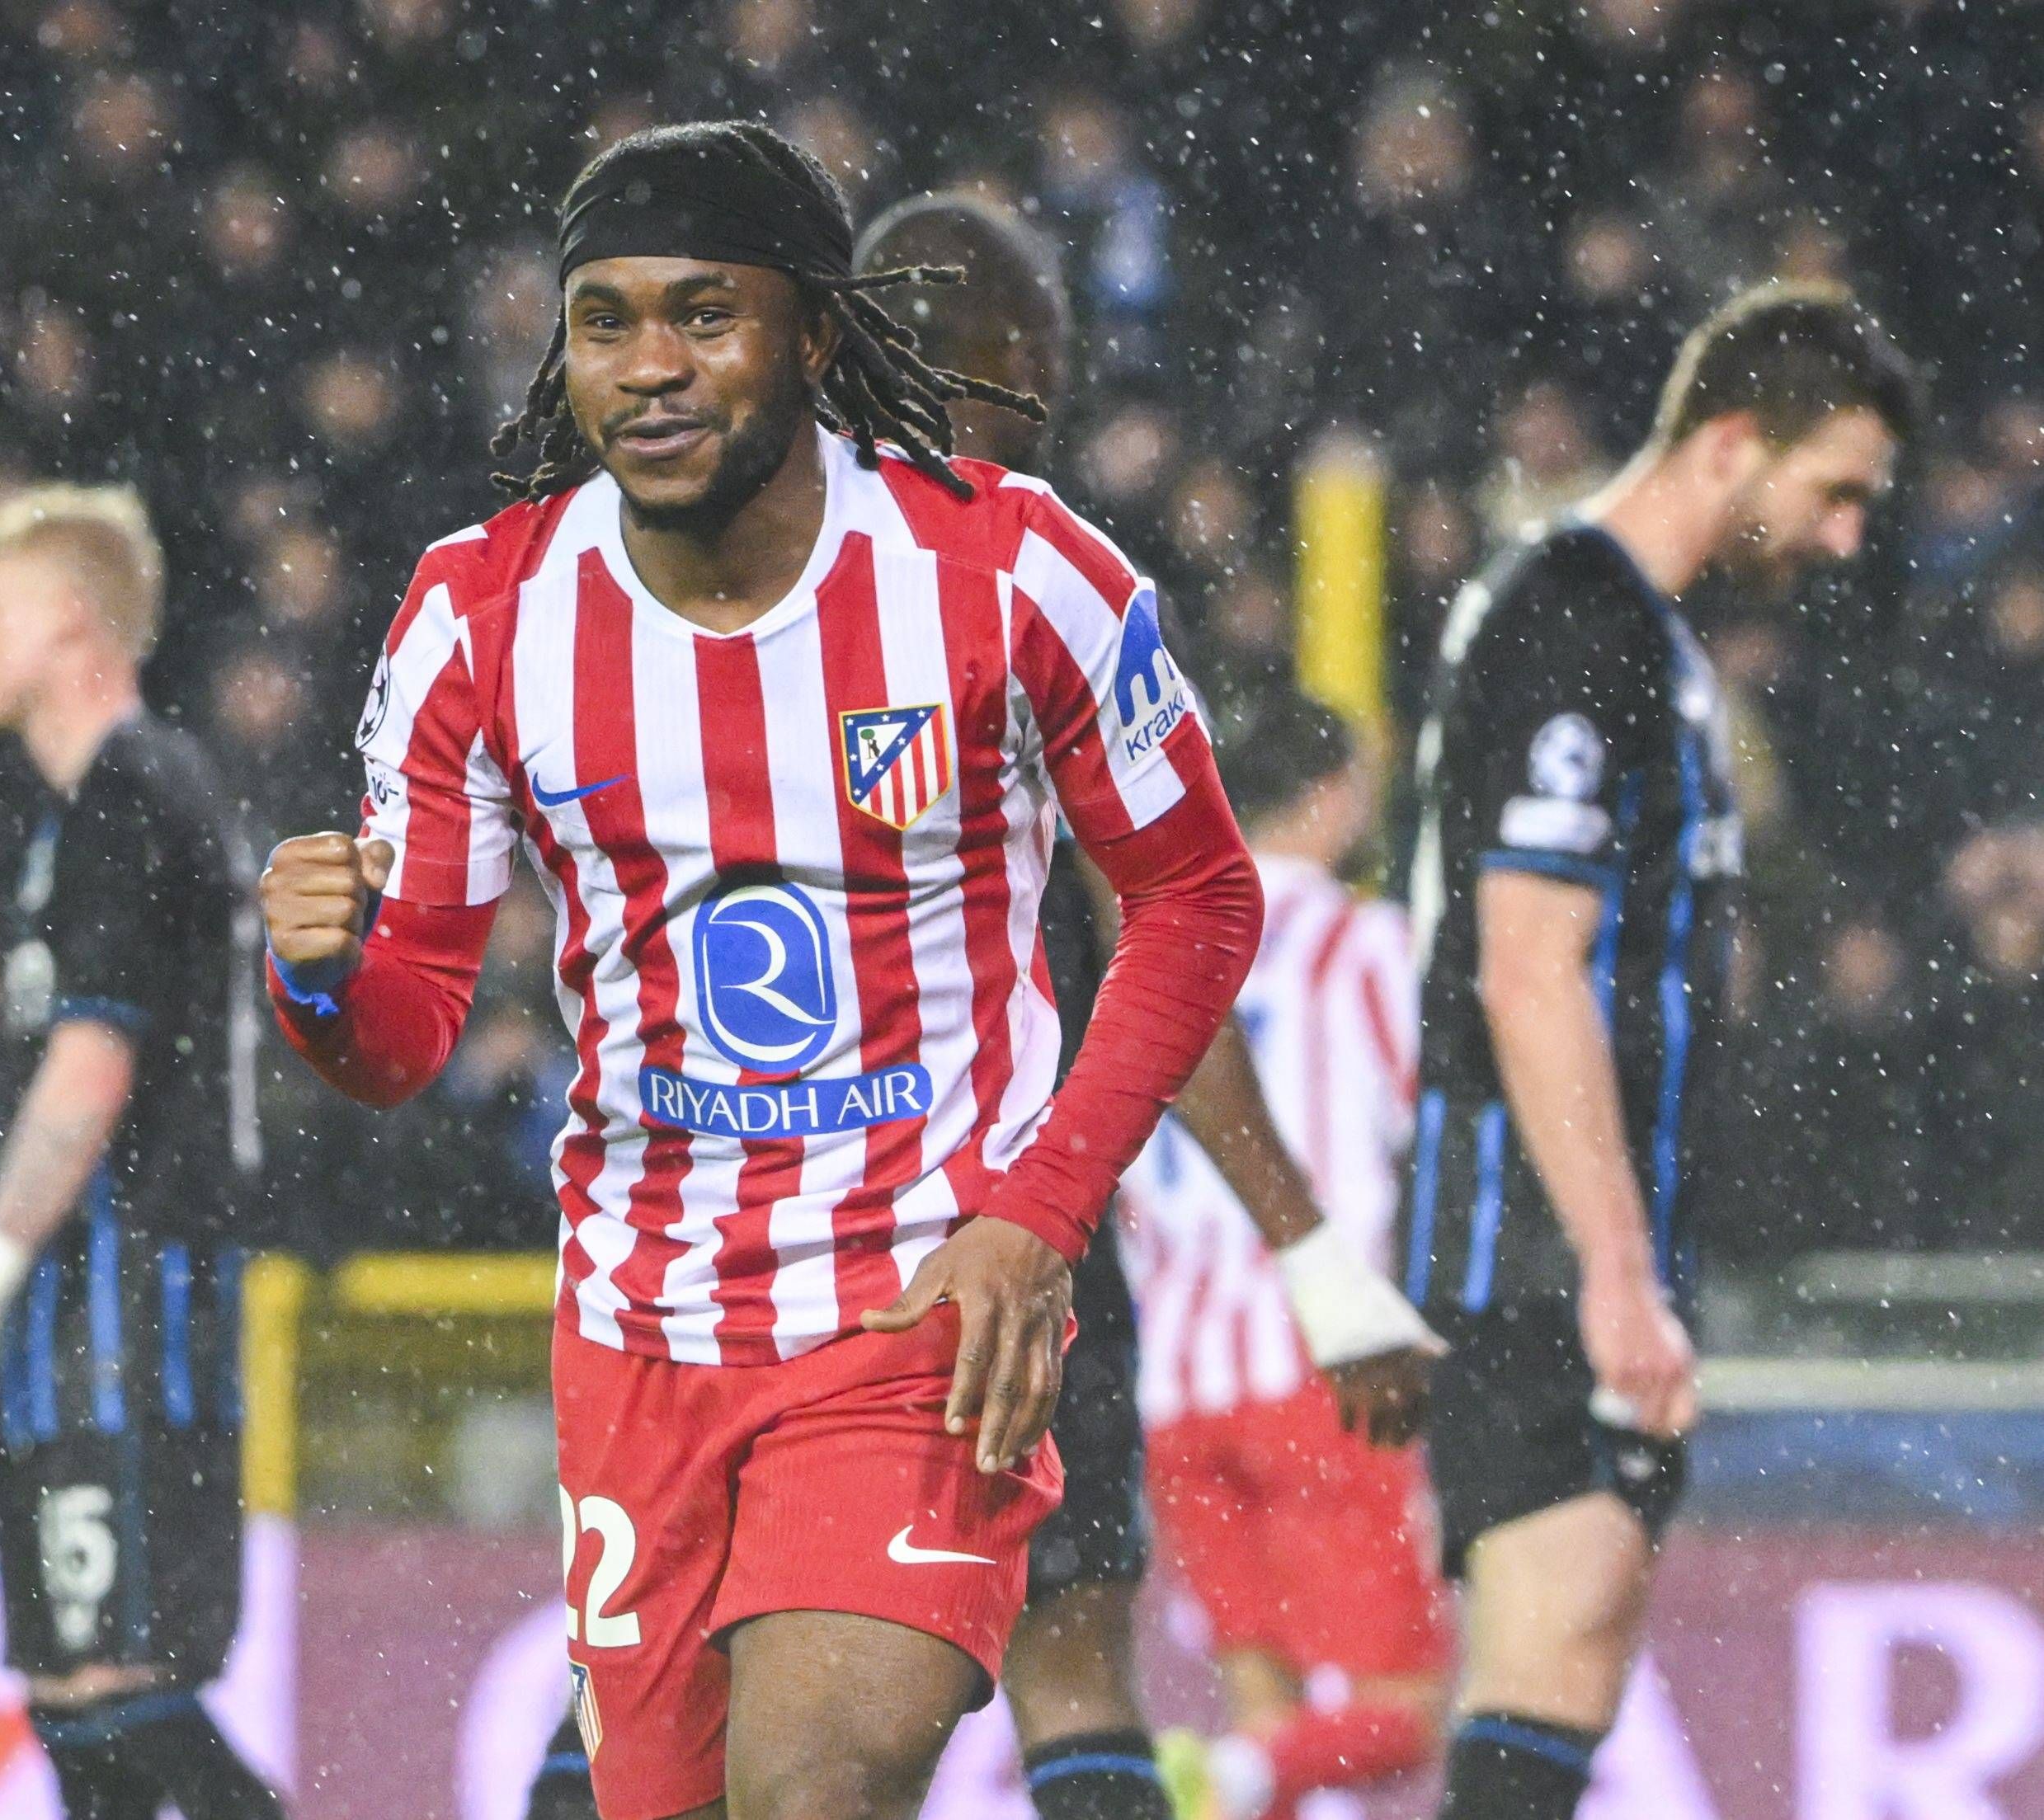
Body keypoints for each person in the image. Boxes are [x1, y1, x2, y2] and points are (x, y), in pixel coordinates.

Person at [264, 118, 1269, 1820]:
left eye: (705, 317)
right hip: (640, 1333)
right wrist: (316, 983)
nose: (650, 369)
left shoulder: (1012, 573)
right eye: (607, 322)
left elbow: (1195, 898)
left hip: (917, 1309)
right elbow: (403, 1038)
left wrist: (1038, 1212)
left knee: (817, 1789)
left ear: (815, 333)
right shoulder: (478, 616)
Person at [512, 188, 1437, 1820]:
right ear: (1011, 359)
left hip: (700, 1259)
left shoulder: (675, 563)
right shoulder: (1016, 581)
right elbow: (1165, 924)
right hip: (977, 1243)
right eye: (1049, 365)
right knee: (1068, 1664)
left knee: (650, 1702)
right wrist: (1305, 1248)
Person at [1404, 281, 1914, 1820]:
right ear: (1734, 441)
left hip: (1566, 1242)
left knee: (1569, 1666)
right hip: (1536, 1250)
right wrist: (1617, 1270)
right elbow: (1529, 964)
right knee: (1546, 1663)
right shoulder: (1581, 621)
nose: (1842, 537)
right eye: (1834, 493)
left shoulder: (1624, 628)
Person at [0, 484, 280, 1820]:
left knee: (122, 1682)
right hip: (86, 1307)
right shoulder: (95, 808)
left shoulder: (134, 789)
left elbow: (91, 1073)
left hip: (128, 1305)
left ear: (71, 625)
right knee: (77, 1695)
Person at [1118, 689, 1450, 1820]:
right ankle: (1203, 1782)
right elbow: (1436, 1137)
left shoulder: (1150, 948)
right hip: (1321, 1369)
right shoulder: (1360, 946)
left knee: (1270, 1709)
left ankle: (1234, 1773)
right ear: (1337, 794)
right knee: (1402, 1710)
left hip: (1174, 1385)